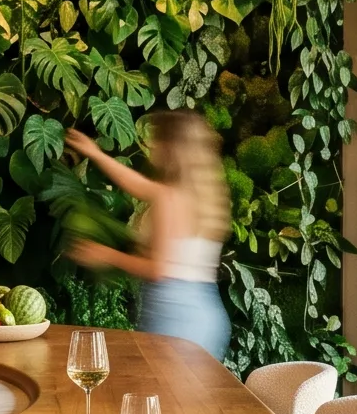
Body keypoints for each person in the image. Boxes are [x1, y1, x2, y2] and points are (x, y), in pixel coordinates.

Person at [62, 111, 232, 359]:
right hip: (203, 312)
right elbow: (137, 185)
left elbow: (159, 269)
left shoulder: (168, 199)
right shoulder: (204, 197)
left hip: (174, 315)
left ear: (172, 148)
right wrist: (96, 154)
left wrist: (105, 255)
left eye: (157, 139)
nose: (151, 145)